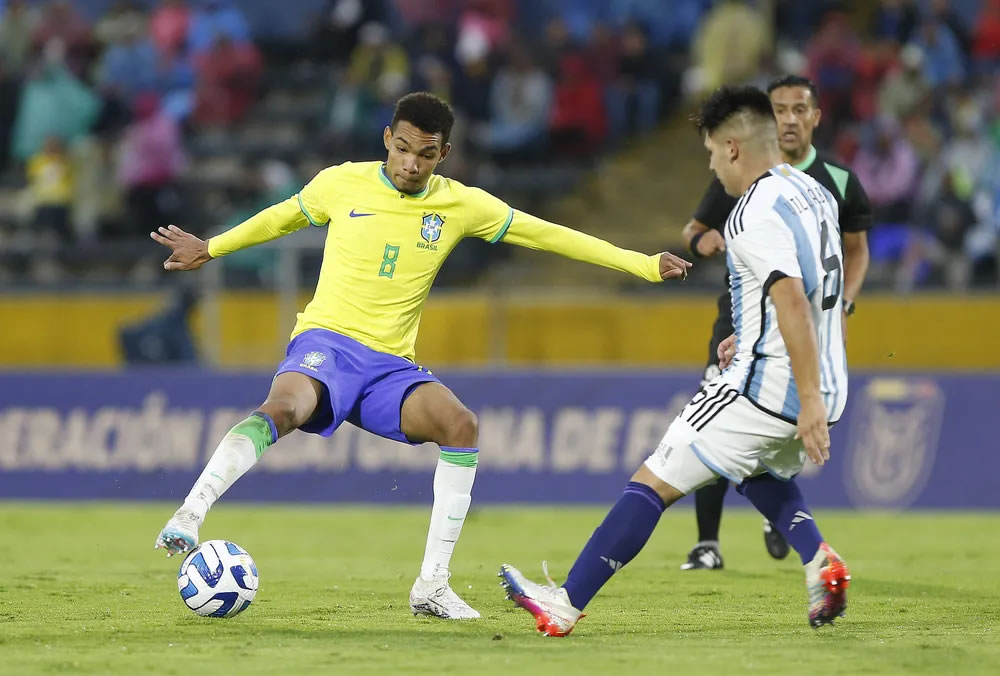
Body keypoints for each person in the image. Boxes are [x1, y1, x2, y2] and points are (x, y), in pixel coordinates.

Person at [150, 92, 692, 621]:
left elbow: (547, 235)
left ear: (444, 155)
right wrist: (212, 247)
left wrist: (640, 264)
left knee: (460, 425)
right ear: (387, 139)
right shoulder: (341, 182)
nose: (411, 164)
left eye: (425, 154)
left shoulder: (460, 204)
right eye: (402, 148)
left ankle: (432, 583)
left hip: (390, 367)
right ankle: (190, 513)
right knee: (284, 408)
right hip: (327, 343)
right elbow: (281, 218)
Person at [500, 85, 851, 636]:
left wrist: (802, 396)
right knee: (749, 465)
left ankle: (564, 602)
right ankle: (817, 559)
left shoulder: (750, 213)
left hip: (773, 388)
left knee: (654, 478)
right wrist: (768, 350)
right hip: (828, 381)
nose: (713, 166)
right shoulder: (814, 192)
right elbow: (814, 290)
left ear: (733, 148)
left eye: (712, 153)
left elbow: (790, 299)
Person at [678, 74, 871, 571]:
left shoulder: (832, 181)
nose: (788, 118)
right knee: (741, 446)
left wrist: (843, 305)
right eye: (779, 109)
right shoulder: (740, 169)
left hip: (793, 331)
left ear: (814, 116)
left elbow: (851, 254)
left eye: (797, 109)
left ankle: (572, 596)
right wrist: (706, 243)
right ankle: (712, 541)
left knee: (701, 440)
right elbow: (695, 229)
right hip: (741, 320)